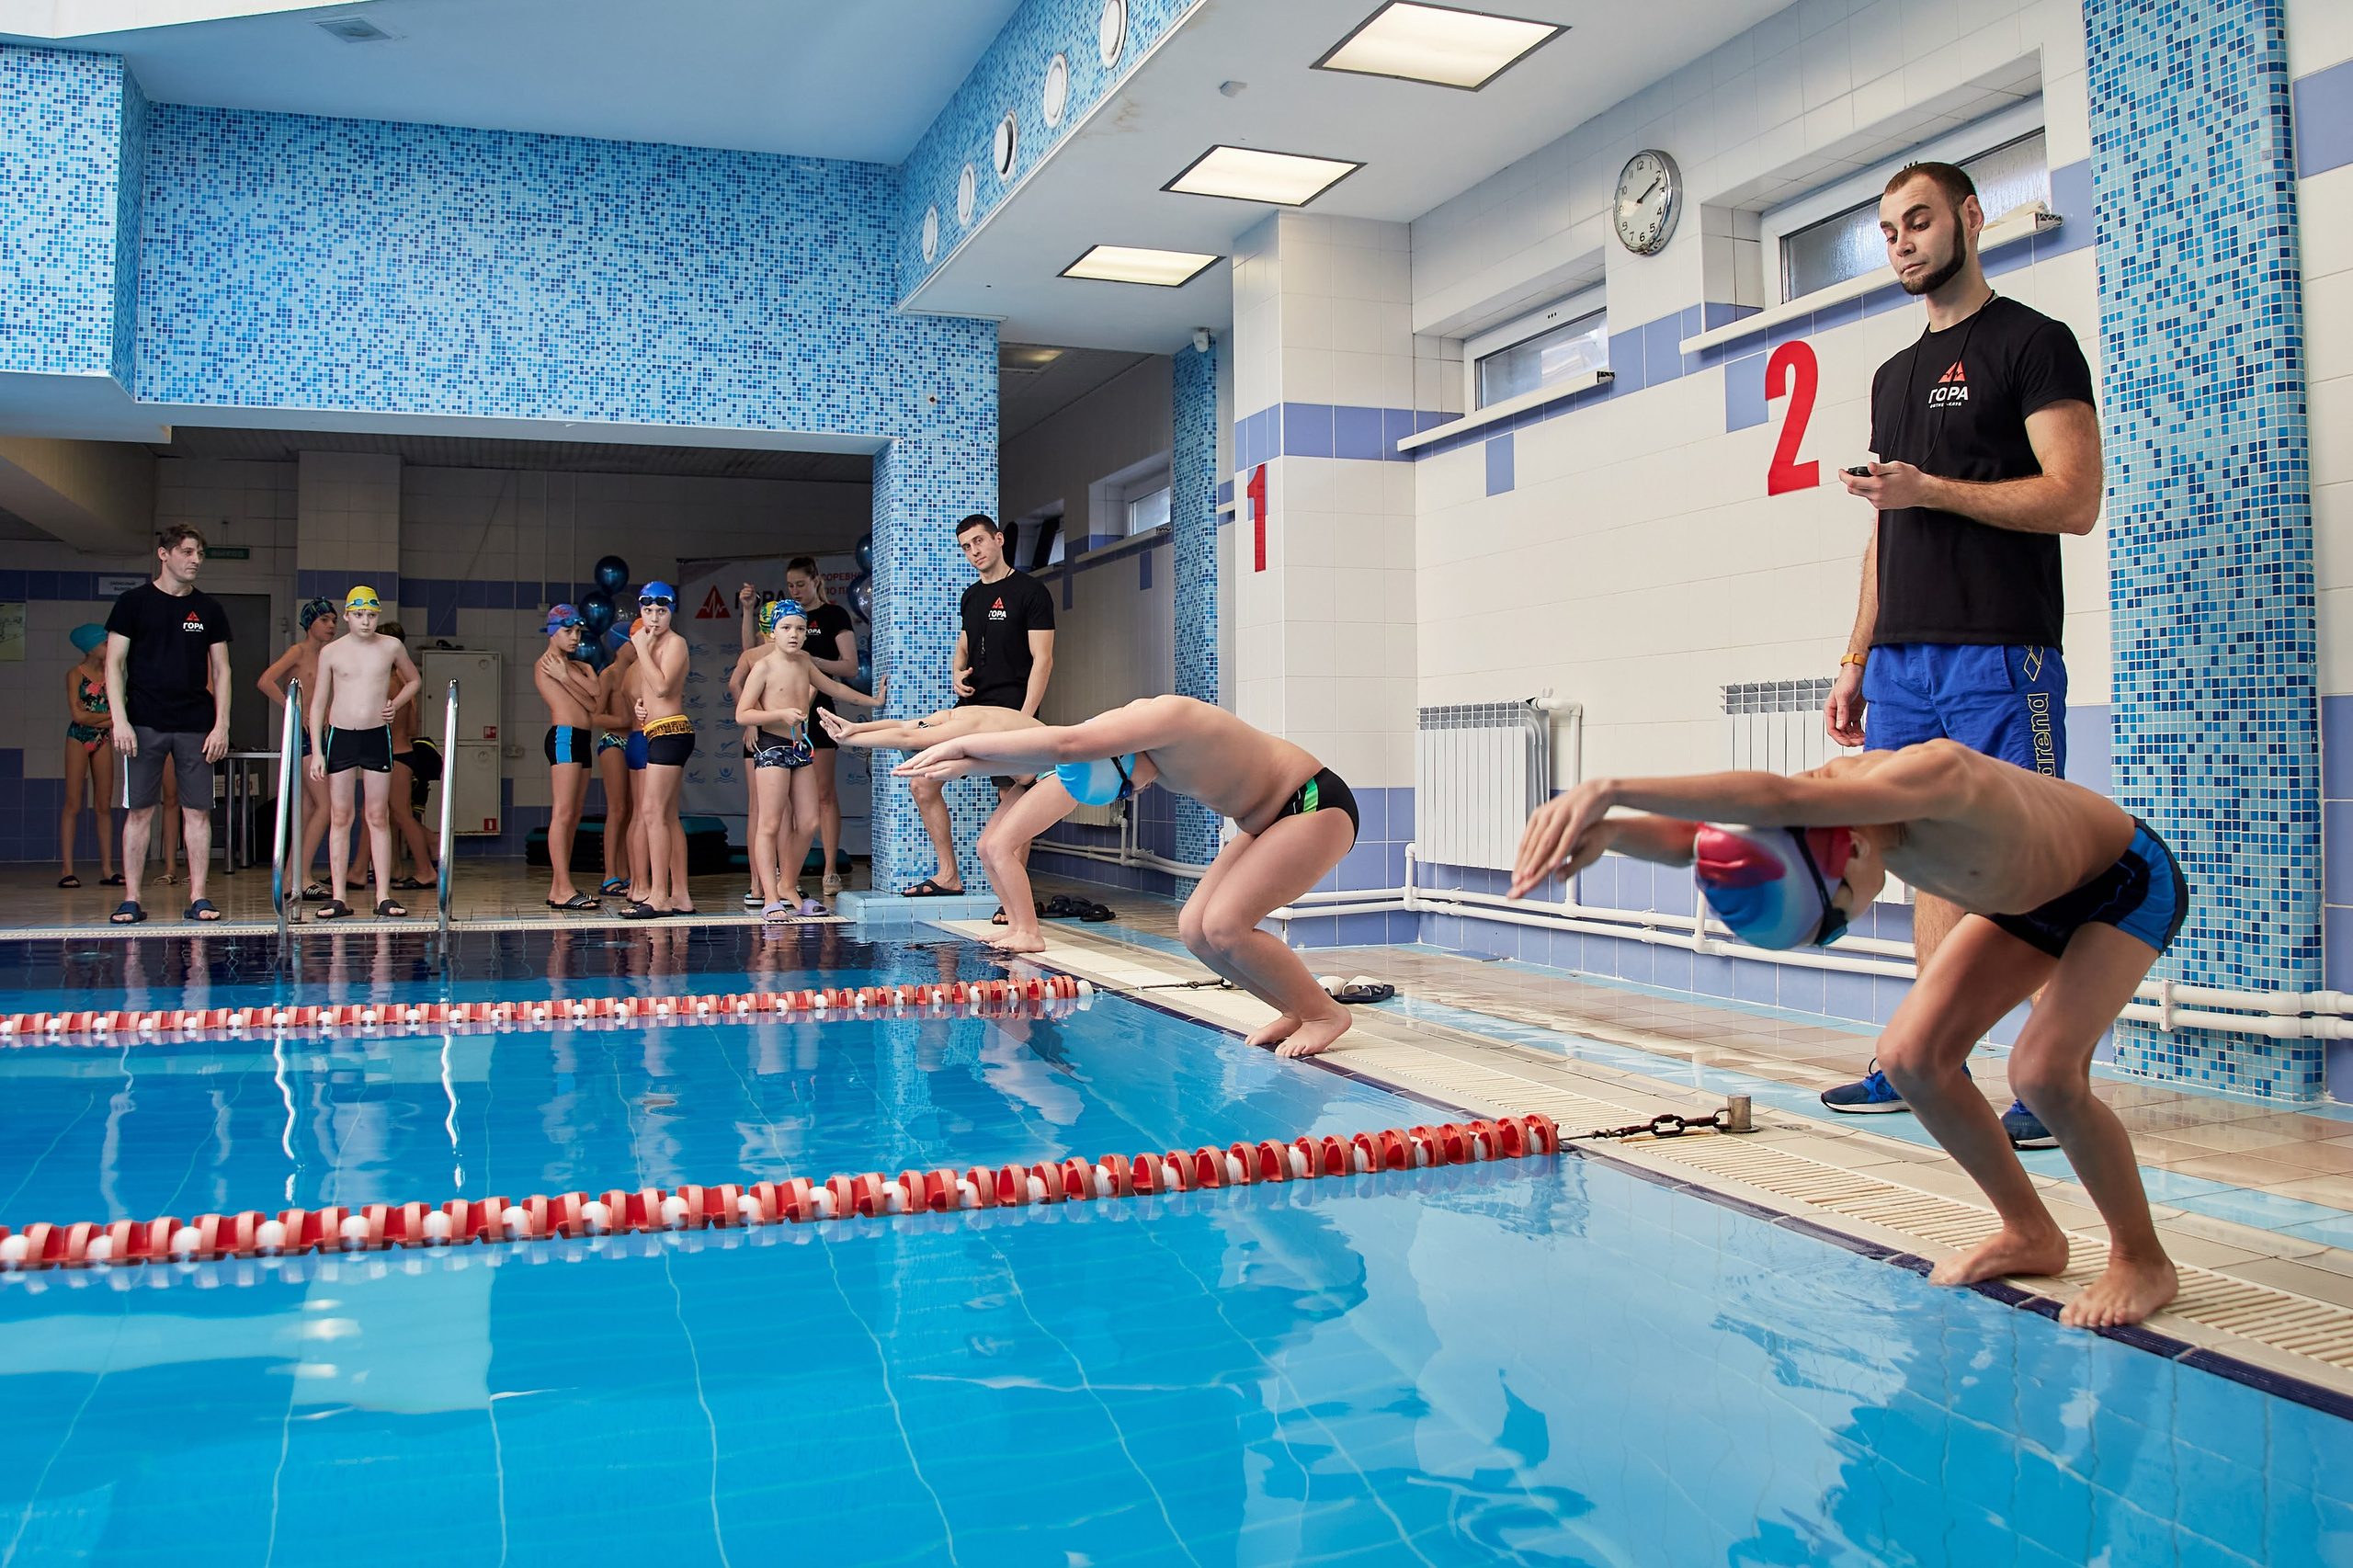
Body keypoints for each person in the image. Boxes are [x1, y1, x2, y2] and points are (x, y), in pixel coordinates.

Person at [1506, 740, 2186, 1329]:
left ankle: (2142, 1260)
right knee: (1911, 1060)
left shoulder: (1939, 778)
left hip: (2118, 883)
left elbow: (1767, 792)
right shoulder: (1825, 809)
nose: (1840, 933)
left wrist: (1610, 788)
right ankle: (2031, 1233)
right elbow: (1699, 837)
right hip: (2026, 901)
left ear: (1852, 846)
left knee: (2043, 1075)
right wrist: (1610, 834)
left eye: (1831, 923)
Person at [1817, 159, 2103, 1144]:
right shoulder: (1891, 375)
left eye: (1918, 221)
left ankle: (2050, 1081)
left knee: (2030, 863)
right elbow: (1883, 532)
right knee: (1927, 862)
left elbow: (2073, 498)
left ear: (1970, 219)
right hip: (1902, 662)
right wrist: (1857, 654)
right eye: (1889, 228)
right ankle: (1923, 1062)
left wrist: (1931, 488)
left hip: (1999, 652)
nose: (1901, 241)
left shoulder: (2033, 343)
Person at [896, 695, 1358, 1057]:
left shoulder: (1169, 716)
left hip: (1311, 802)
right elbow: (1055, 759)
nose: (1134, 792)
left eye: (1125, 786)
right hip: (1266, 820)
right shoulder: (1127, 742)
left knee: (1225, 925)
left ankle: (1324, 1014)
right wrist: (969, 764)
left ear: (1119, 757)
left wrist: (961, 742)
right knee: (1195, 931)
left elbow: (1065, 743)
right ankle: (1295, 1008)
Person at [901, 514, 1055, 897]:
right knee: (922, 781)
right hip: (974, 708)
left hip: (1013, 709)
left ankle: (1011, 898)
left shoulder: (1031, 592)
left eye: (979, 542)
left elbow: (1043, 659)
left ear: (999, 540)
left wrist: (1025, 717)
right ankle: (948, 875)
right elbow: (966, 641)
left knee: (1014, 794)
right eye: (966, 547)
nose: (973, 552)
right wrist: (956, 669)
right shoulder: (971, 595)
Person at [820, 702, 1052, 945]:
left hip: (1055, 774)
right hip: (1030, 777)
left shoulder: (963, 726)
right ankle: (1015, 927)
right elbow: (901, 726)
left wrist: (848, 741)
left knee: (999, 848)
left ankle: (1030, 932)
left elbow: (906, 736)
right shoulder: (947, 717)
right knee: (986, 847)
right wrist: (854, 728)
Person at [105, 524, 233, 923]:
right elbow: (113, 663)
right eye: (188, 552)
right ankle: (131, 898)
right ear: (165, 554)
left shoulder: (209, 609)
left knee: (197, 811)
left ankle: (198, 897)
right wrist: (120, 720)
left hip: (195, 722)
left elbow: (222, 669)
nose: (196, 560)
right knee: (140, 810)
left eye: (200, 554)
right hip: (144, 721)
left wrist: (222, 724)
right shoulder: (133, 603)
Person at [735, 599, 881, 918]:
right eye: (786, 628)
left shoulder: (804, 662)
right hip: (771, 746)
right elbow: (742, 713)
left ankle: (789, 884)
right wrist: (780, 714)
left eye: (800, 629)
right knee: (770, 823)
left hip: (800, 747)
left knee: (810, 821)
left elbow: (835, 689)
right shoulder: (764, 666)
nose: (794, 634)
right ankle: (771, 897)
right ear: (773, 632)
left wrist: (874, 700)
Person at [305, 586, 421, 920]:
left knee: (377, 816)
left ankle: (383, 895)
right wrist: (316, 751)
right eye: (359, 615)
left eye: (371, 615)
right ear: (346, 616)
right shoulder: (332, 651)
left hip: (375, 737)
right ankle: (339, 896)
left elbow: (414, 680)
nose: (366, 621)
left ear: (378, 616)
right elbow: (318, 704)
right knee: (341, 816)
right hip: (340, 737)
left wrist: (394, 705)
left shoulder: (391, 646)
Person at [257, 597, 345, 899]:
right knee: (326, 806)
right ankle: (302, 876)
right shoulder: (298, 651)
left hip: (320, 734)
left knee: (309, 806)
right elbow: (265, 681)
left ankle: (292, 874)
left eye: (334, 620)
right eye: (325, 620)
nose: (331, 625)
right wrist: (293, 710)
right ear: (310, 624)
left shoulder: (329, 654)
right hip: (303, 736)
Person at [786, 557, 861, 898]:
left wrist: (812, 662)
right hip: (785, 713)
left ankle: (830, 870)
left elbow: (849, 666)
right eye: (790, 585)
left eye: (800, 584)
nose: (795, 591)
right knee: (786, 799)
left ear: (816, 580)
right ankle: (788, 873)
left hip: (819, 712)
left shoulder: (833, 616)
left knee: (824, 794)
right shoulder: (787, 617)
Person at [623, 584, 695, 918]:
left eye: (661, 611)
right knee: (666, 816)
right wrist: (641, 709)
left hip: (672, 732)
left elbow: (664, 686)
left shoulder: (675, 643)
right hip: (658, 732)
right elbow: (648, 692)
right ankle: (680, 895)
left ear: (671, 612)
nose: (654, 618)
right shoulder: (651, 646)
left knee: (651, 813)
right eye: (648, 611)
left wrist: (640, 647)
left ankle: (658, 895)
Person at [534, 605, 604, 911]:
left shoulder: (582, 667)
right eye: (568, 631)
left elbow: (595, 701)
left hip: (582, 739)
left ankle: (559, 887)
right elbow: (587, 698)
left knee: (574, 815)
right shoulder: (544, 663)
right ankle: (562, 887)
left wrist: (566, 677)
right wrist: (567, 679)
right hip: (563, 737)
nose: (575, 638)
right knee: (562, 813)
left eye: (578, 632)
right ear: (552, 632)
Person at [59, 623, 119, 891]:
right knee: (73, 804)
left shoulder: (113, 674)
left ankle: (107, 868)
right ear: (90, 648)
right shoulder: (75, 675)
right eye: (105, 643)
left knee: (104, 806)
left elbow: (123, 711)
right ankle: (67, 869)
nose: (109, 647)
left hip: (102, 740)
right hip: (78, 738)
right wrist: (111, 719)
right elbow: (78, 716)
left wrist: (105, 719)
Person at [380, 620, 439, 892]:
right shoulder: (404, 684)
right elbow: (414, 727)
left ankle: (427, 866)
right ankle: (394, 867)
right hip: (404, 752)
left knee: (401, 815)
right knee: (394, 814)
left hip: (395, 756)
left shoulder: (389, 684)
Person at [591, 635, 639, 898]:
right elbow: (594, 715)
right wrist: (621, 718)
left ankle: (627, 872)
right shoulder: (609, 674)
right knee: (618, 808)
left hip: (633, 740)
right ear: (621, 645)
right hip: (612, 741)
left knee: (633, 811)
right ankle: (610, 874)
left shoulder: (638, 672)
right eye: (633, 642)